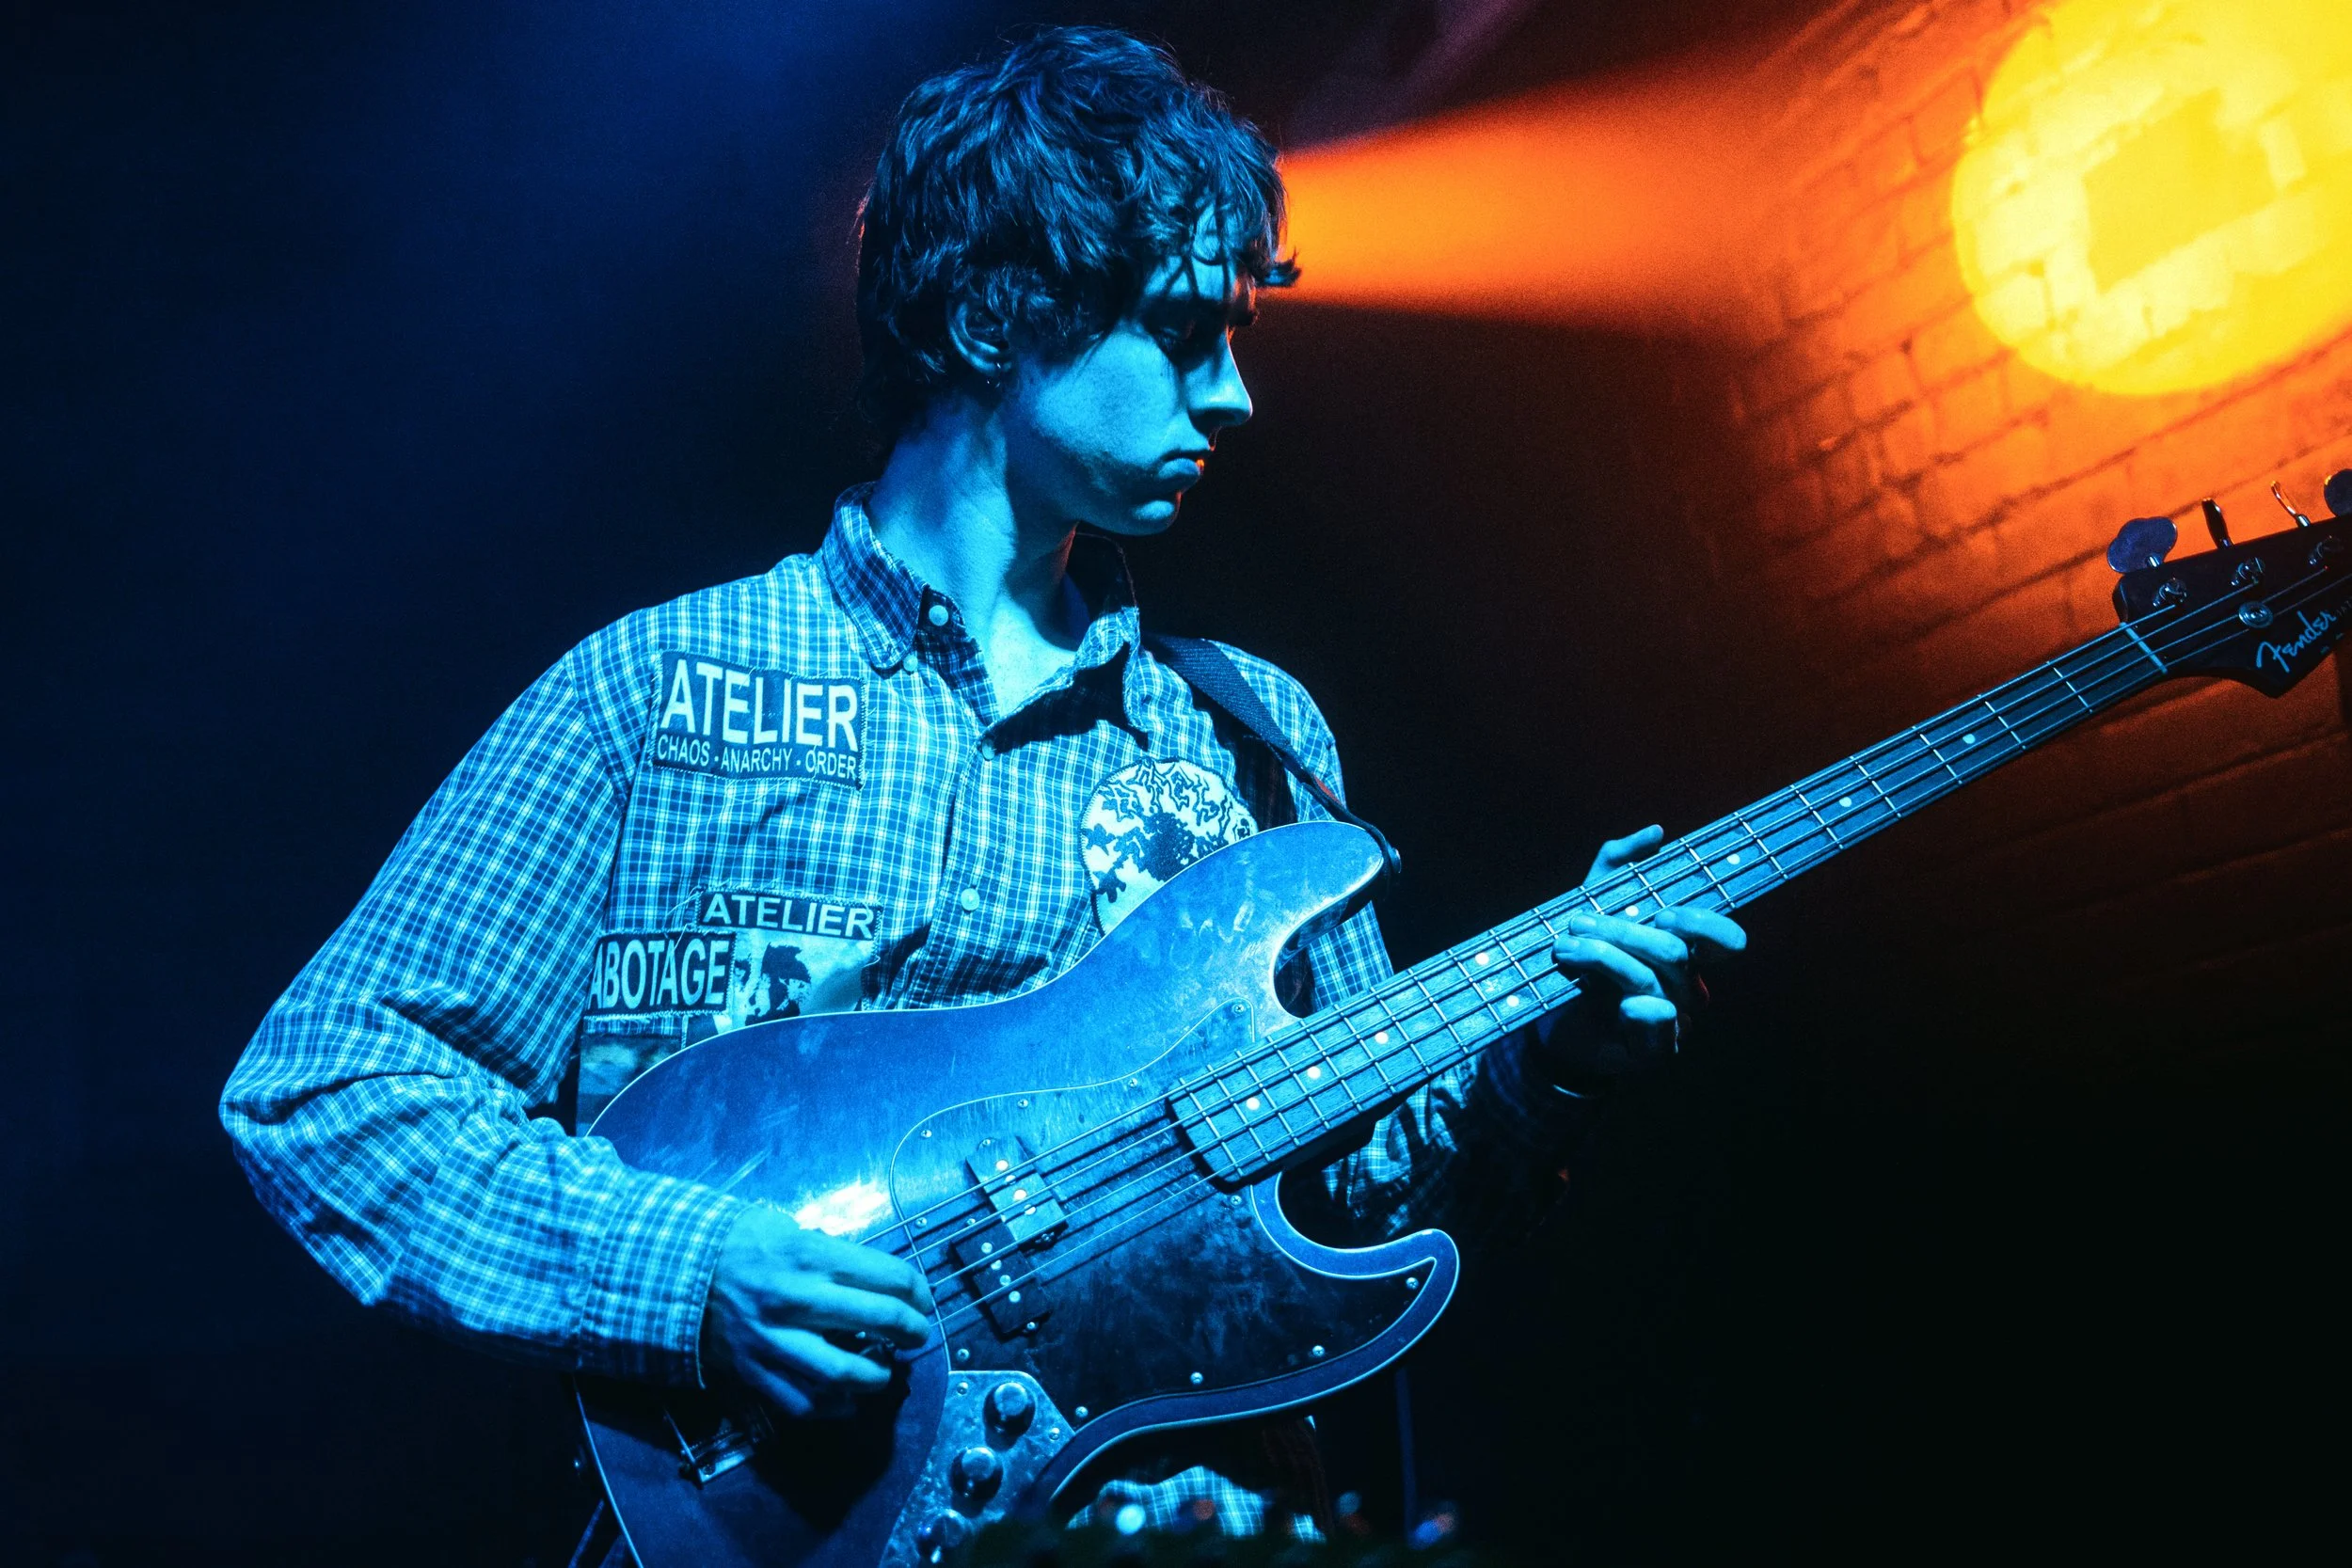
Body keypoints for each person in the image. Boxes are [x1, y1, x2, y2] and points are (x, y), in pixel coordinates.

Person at [220, 25, 1744, 1547]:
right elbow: (327, 1083)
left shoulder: (1254, 736)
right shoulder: (659, 690)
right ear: (990, 314)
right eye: (1178, 333)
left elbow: (1361, 1201)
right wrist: (687, 1271)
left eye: (1236, 339)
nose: (1233, 399)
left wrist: (1546, 1061)